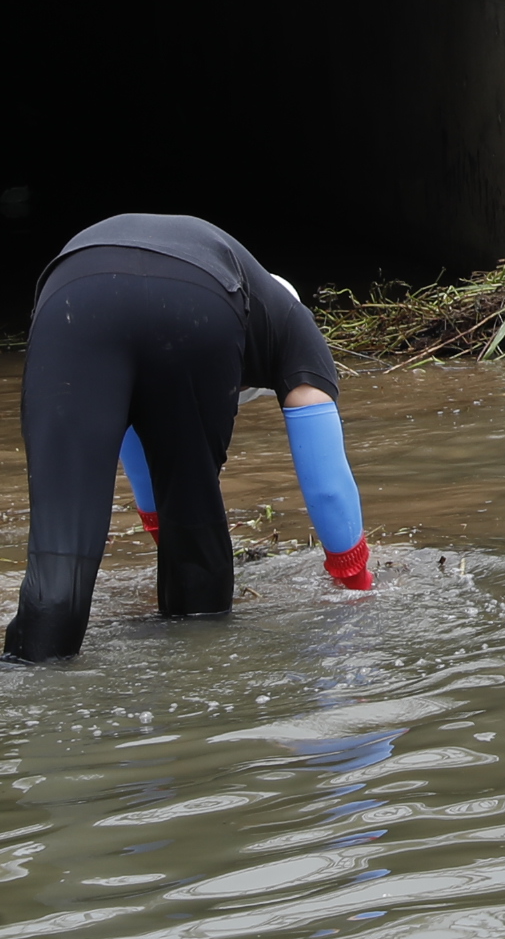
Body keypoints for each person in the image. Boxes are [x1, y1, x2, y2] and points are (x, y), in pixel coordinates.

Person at [10, 214, 369, 665]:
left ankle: (34, 687)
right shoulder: (294, 326)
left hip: (75, 294)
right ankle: (198, 667)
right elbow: (328, 483)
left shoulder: (252, 291)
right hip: (201, 304)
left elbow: (129, 426)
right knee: (197, 528)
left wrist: (161, 530)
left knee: (59, 551)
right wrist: (355, 580)